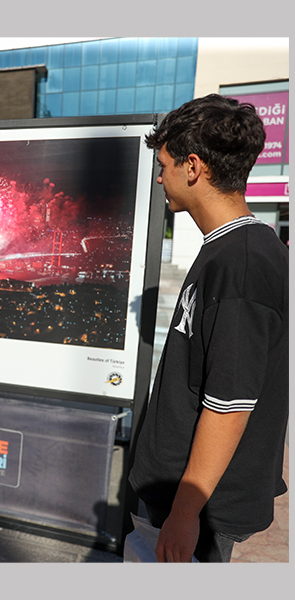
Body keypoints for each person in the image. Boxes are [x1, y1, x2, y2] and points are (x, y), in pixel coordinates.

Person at [128, 94, 288, 563]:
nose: (160, 178)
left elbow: (230, 403)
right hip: (183, 498)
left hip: (200, 510)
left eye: (164, 166)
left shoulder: (240, 264)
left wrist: (184, 512)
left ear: (193, 167)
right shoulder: (232, 251)